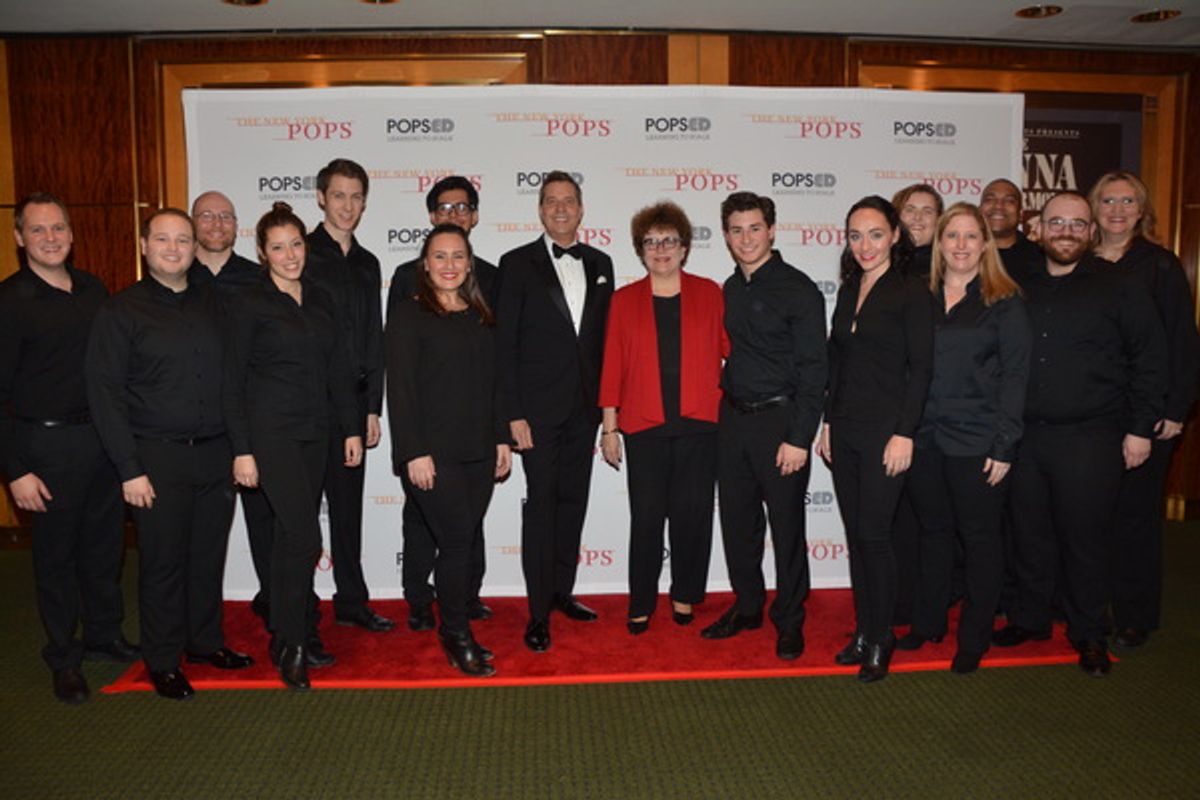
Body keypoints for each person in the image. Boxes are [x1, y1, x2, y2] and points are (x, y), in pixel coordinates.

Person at [994, 191, 1167, 678]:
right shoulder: (1018, 286)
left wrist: (1140, 429)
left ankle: (1089, 632)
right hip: (1026, 436)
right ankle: (1030, 618)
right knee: (1028, 534)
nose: (1065, 232)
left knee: (1085, 540)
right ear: (1039, 229)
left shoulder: (1121, 286)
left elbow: (1150, 360)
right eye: (1056, 223)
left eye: (1076, 224)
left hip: (1091, 436)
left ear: (1090, 232)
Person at [86, 208, 253, 701]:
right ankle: (162, 659)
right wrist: (129, 468)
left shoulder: (215, 304)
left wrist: (239, 448)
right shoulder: (121, 312)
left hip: (215, 453)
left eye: (183, 239)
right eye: (163, 239)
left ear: (194, 247)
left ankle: (204, 642)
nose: (174, 248)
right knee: (162, 563)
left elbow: (234, 380)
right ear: (144, 246)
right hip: (155, 459)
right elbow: (105, 395)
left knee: (207, 557)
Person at [0, 192, 137, 704]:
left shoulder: (93, 289)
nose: (50, 238)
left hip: (100, 440)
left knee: (104, 548)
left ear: (72, 234)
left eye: (58, 227)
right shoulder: (9, 301)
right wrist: (15, 469)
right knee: (55, 559)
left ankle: (104, 634)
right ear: (19, 238)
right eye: (37, 229)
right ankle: (63, 656)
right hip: (45, 446)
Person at [223, 202, 363, 690]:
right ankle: (296, 642)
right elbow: (231, 381)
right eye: (278, 247)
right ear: (263, 253)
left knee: (289, 537)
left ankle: (287, 634)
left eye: (296, 244)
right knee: (305, 537)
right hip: (270, 434)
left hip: (317, 433)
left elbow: (339, 369)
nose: (290, 255)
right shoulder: (249, 302)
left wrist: (350, 428)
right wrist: (242, 449)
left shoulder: (321, 298)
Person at [900, 203, 1031, 674]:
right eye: (951, 235)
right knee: (933, 533)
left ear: (985, 244)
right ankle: (928, 622)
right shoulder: (921, 295)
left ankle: (973, 638)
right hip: (924, 437)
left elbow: (1015, 377)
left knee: (980, 541)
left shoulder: (1005, 301)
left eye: (970, 236)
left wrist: (1005, 444)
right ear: (939, 243)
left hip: (978, 440)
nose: (960, 245)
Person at [700, 191, 826, 662]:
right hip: (733, 419)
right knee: (738, 523)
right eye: (736, 230)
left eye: (755, 228)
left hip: (780, 422)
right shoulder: (730, 288)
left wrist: (799, 437)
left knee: (787, 527)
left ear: (772, 230)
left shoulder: (800, 289)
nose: (746, 238)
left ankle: (790, 619)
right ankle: (748, 605)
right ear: (726, 236)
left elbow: (816, 369)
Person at [815, 195, 934, 682]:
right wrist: (827, 422)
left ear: (896, 236)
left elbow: (921, 369)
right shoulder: (849, 288)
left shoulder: (911, 291)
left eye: (876, 234)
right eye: (855, 235)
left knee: (875, 535)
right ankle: (864, 631)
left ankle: (882, 637)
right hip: (845, 429)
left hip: (887, 432)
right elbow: (837, 363)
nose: (865, 245)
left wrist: (905, 433)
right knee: (856, 536)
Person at [386, 224, 511, 676]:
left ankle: (456, 627)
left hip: (479, 450)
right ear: (425, 264)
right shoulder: (408, 314)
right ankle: (455, 633)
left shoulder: (479, 313)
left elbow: (494, 383)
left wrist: (501, 437)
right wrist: (413, 452)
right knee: (457, 540)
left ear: (470, 263)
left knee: (465, 537)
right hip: (433, 455)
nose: (449, 265)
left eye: (458, 256)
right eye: (440, 256)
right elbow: (401, 389)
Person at [496, 170, 613, 652]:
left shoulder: (602, 263)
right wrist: (513, 413)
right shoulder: (515, 263)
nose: (561, 208)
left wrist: (607, 414)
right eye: (551, 201)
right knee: (541, 509)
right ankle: (538, 611)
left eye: (569, 200)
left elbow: (605, 344)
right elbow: (503, 345)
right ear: (540, 210)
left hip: (584, 411)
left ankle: (563, 591)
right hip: (536, 414)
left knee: (573, 503)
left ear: (581, 209)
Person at [598, 202, 726, 634]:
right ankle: (641, 600)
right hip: (644, 426)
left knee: (693, 517)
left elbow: (738, 350)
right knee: (647, 519)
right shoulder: (623, 300)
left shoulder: (710, 294)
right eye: (651, 242)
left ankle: (685, 593)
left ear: (685, 247)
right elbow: (612, 366)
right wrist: (610, 427)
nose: (661, 249)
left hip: (700, 424)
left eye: (669, 240)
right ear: (640, 250)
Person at [1088, 171, 1200, 649]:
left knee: (1135, 518)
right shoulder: (1079, 261)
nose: (1117, 210)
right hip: (1092, 413)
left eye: (1127, 201)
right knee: (1091, 517)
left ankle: (1135, 614)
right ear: (1094, 208)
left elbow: (1182, 342)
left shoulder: (1160, 265)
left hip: (1146, 413)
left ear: (1141, 210)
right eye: (1108, 200)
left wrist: (1175, 409)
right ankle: (1091, 607)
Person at [304, 158, 391, 634]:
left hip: (354, 405)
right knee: (301, 516)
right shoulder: (301, 254)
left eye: (356, 197)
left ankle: (352, 601)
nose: (347, 206)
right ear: (321, 198)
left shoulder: (368, 262)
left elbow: (374, 338)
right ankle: (299, 606)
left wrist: (373, 406)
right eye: (339, 195)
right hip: (309, 404)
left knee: (347, 510)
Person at [188, 191, 275, 629]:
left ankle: (276, 601)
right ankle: (199, 624)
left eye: (225, 216)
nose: (217, 223)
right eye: (207, 216)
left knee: (266, 519)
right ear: (193, 223)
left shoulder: (258, 278)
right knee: (200, 533)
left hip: (252, 419)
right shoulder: (178, 278)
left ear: (237, 225)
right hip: (197, 424)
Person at [979, 178, 1042, 283]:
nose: (998, 206)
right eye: (990, 199)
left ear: (1020, 214)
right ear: (979, 211)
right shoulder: (963, 254)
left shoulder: (1040, 259)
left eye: (1009, 201)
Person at [892, 183, 943, 275]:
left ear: (939, 220)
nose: (918, 217)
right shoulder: (878, 264)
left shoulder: (948, 269)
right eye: (910, 210)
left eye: (927, 211)